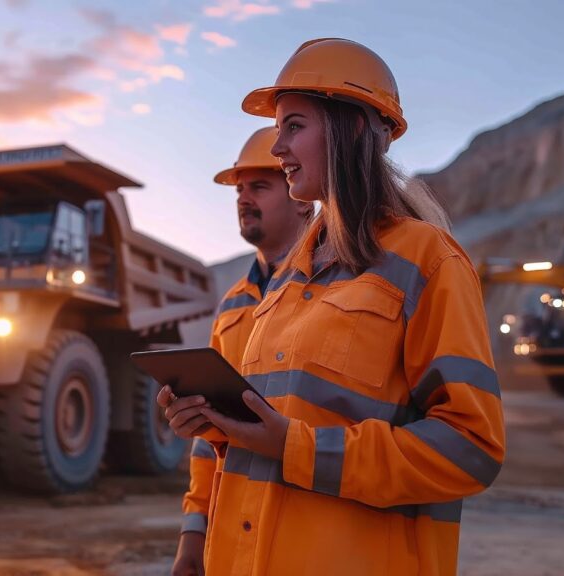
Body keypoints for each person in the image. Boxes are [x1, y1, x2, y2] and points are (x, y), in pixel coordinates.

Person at [159, 38, 505, 575]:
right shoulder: (286, 282)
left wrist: (294, 446)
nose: (278, 148)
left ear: (356, 129)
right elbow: (276, 433)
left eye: (293, 126)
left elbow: (471, 449)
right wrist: (216, 426)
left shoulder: (427, 260)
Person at [172, 126, 313, 576]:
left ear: (301, 195)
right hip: (237, 541)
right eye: (239, 189)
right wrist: (193, 533)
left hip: (310, 536)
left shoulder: (344, 287)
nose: (243, 198)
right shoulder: (233, 303)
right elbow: (208, 441)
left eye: (260, 186)